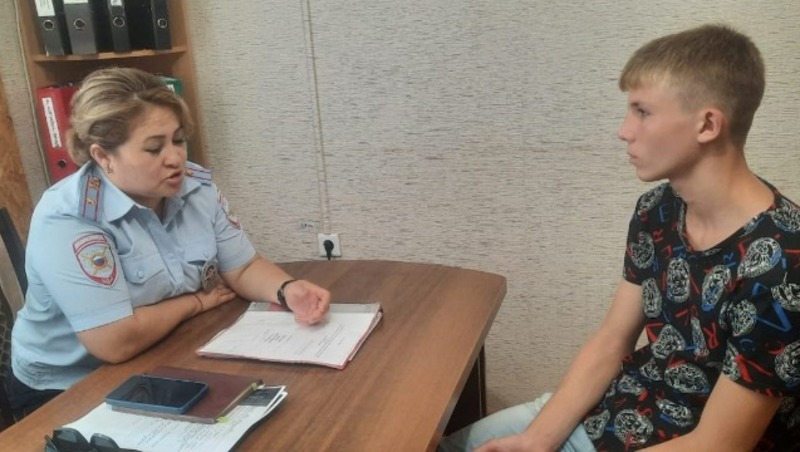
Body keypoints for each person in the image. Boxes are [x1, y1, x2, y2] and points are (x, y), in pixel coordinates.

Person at [440, 24, 800, 452]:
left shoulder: (783, 264)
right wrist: (536, 440)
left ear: (707, 124)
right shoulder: (657, 209)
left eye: (642, 112)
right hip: (624, 408)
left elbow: (718, 445)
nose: (624, 130)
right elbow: (612, 339)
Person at [7, 67, 331, 419]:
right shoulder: (72, 218)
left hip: (164, 350)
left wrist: (286, 289)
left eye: (178, 140)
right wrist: (196, 302)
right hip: (67, 386)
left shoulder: (194, 186)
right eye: (153, 148)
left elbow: (242, 267)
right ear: (103, 157)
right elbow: (114, 341)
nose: (175, 158)